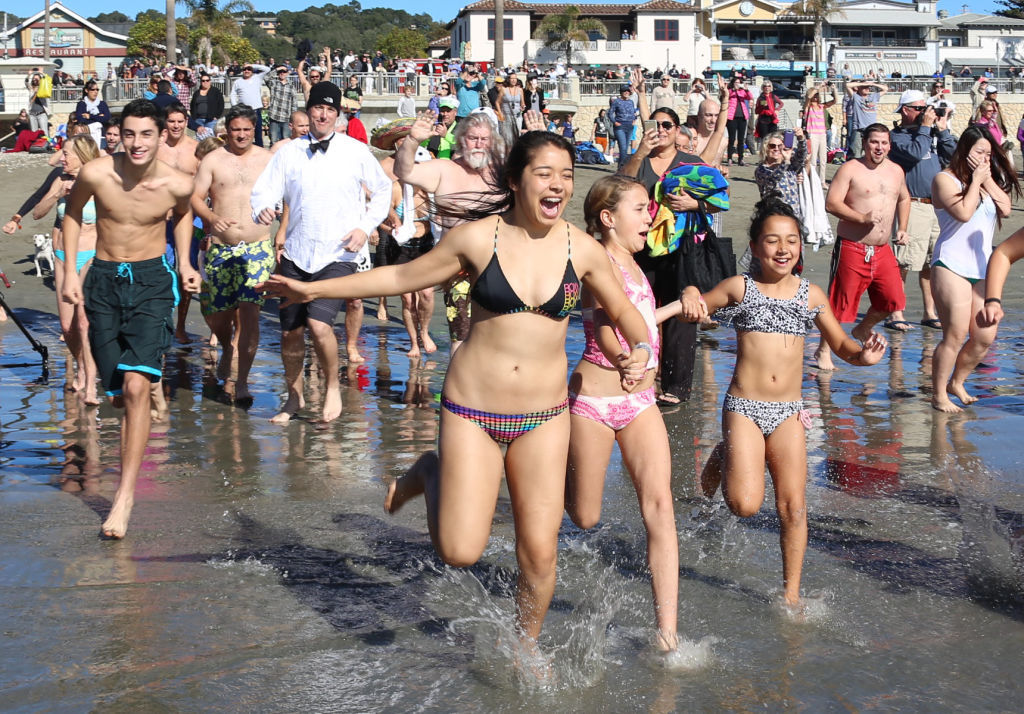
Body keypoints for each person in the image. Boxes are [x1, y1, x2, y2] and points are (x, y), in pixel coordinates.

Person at [259, 130, 653, 653]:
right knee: (461, 551)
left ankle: (525, 646)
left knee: (540, 553)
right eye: (544, 174)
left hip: (546, 415)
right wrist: (313, 288)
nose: (557, 185)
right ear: (514, 181)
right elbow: (398, 277)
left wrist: (641, 350)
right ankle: (428, 471)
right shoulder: (475, 238)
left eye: (566, 176)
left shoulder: (580, 249)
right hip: (473, 411)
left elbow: (626, 312)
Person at [682, 198, 887, 606]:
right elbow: (699, 304)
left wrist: (863, 355)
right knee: (743, 505)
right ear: (755, 247)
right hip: (744, 407)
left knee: (792, 507)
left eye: (791, 240)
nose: (782, 248)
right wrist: (689, 292)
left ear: (800, 246)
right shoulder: (740, 287)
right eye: (772, 241)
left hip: (790, 411)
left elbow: (842, 344)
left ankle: (790, 593)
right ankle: (726, 452)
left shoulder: (810, 296)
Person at [60, 99, 199, 539]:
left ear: (162, 137)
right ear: (117, 133)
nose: (137, 143)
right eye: (130, 133)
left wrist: (185, 264)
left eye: (147, 134)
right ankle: (132, 428)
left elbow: (184, 216)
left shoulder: (177, 183)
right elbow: (70, 215)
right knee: (120, 394)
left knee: (139, 385)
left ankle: (124, 497)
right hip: (102, 281)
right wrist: (69, 274)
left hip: (151, 282)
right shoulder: (96, 173)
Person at [566, 175, 681, 652]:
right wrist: (623, 358)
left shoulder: (635, 265)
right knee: (585, 517)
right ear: (608, 218)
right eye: (639, 208)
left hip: (640, 402)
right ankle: (539, 474)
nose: (649, 215)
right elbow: (601, 322)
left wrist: (677, 305)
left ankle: (667, 632)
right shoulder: (597, 262)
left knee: (660, 505)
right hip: (593, 401)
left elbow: (637, 321)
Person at [250, 82, 392, 424]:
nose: (324, 114)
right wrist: (263, 209)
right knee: (290, 332)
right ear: (309, 110)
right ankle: (294, 397)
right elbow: (263, 191)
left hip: (338, 253)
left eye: (330, 109)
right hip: (297, 254)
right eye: (318, 108)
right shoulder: (288, 152)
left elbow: (384, 188)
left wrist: (365, 225)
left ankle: (331, 387)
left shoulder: (355, 151)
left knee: (319, 323)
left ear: (338, 113)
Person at [620, 87, 728, 404]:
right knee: (642, 310)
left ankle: (676, 387)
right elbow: (619, 188)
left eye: (668, 125)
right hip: (643, 249)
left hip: (683, 249)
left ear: (678, 130)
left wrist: (695, 204)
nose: (662, 131)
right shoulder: (638, 161)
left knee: (683, 313)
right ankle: (643, 374)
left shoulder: (690, 162)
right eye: (656, 125)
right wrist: (640, 152)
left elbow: (721, 201)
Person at [396, 110, 506, 352]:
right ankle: (457, 387)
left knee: (499, 341)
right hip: (459, 270)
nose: (478, 145)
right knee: (461, 339)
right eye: (472, 138)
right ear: (460, 140)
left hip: (500, 269)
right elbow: (404, 172)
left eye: (484, 139)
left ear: (493, 142)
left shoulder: (504, 174)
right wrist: (413, 141)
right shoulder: (444, 169)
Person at [190, 104, 274, 403]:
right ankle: (227, 347)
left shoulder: (268, 159)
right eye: (236, 129)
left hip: (258, 246)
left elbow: (287, 196)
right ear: (227, 130)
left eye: (247, 130)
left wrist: (283, 229)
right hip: (222, 248)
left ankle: (242, 381)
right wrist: (212, 219)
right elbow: (195, 197)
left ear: (255, 130)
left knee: (251, 313)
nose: (241, 135)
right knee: (217, 314)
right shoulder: (213, 160)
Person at [929, 127, 1017, 413]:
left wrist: (986, 179)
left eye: (989, 154)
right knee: (954, 334)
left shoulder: (987, 179)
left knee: (984, 336)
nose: (984, 158)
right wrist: (975, 182)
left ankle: (958, 381)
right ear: (964, 151)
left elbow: (1005, 209)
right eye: (979, 152)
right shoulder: (944, 179)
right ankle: (939, 394)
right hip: (950, 264)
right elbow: (964, 213)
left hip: (981, 267)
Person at [813, 124, 909, 370]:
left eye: (884, 143)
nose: (879, 148)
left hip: (882, 248)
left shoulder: (896, 171)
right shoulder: (850, 169)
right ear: (865, 142)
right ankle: (823, 351)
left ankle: (863, 328)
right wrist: (861, 218)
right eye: (874, 142)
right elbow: (831, 203)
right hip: (853, 246)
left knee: (893, 300)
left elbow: (904, 197)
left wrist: (902, 227)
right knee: (839, 304)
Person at [30, 135, 102, 404]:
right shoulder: (60, 180)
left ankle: (90, 374)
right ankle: (82, 364)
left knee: (83, 323)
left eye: (67, 153)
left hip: (91, 256)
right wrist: (58, 195)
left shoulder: (97, 181)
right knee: (67, 325)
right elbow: (37, 212)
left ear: (82, 155)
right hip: (63, 258)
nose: (62, 158)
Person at [885, 90, 958, 333]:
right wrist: (926, 128)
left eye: (925, 108)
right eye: (918, 108)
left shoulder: (931, 134)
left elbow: (954, 156)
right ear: (905, 110)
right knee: (903, 262)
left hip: (936, 205)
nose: (923, 113)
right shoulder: (895, 137)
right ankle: (895, 311)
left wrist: (943, 129)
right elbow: (915, 153)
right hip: (912, 204)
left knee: (931, 262)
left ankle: (929, 311)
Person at [371, 118, 437, 357]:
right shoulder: (395, 186)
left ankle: (425, 330)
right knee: (408, 301)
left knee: (427, 294)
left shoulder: (433, 191)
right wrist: (390, 230)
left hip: (426, 245)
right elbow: (375, 212)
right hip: (402, 246)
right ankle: (414, 342)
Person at [754, 129, 808, 220]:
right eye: (772, 146)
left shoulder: (790, 166)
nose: (776, 149)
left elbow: (802, 156)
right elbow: (774, 178)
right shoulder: (762, 169)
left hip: (794, 215)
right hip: (773, 214)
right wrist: (786, 161)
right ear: (766, 148)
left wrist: (801, 139)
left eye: (780, 146)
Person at [801, 83, 836, 186]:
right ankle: (812, 180)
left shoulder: (821, 106)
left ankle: (822, 181)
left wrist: (833, 89)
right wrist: (817, 88)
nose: (816, 97)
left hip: (822, 134)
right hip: (813, 134)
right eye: (815, 95)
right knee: (812, 160)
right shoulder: (808, 107)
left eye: (817, 95)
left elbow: (834, 101)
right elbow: (808, 97)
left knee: (823, 159)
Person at [229, 63, 271, 146]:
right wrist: (235, 107)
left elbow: (267, 69)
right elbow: (233, 94)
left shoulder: (257, 77)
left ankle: (259, 151)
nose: (246, 71)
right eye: (245, 69)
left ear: (252, 71)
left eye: (249, 69)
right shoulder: (238, 82)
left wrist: (251, 65)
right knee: (245, 133)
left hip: (256, 110)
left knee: (258, 133)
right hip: (243, 112)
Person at [844, 80, 888, 158]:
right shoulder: (856, 97)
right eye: (864, 88)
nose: (867, 89)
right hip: (859, 130)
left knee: (871, 153)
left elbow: (885, 89)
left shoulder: (873, 97)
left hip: (871, 130)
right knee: (856, 154)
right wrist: (862, 83)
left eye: (868, 88)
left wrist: (873, 84)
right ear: (859, 88)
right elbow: (847, 85)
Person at [266, 66, 299, 146]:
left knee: (286, 140)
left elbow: (294, 103)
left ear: (287, 73)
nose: (282, 73)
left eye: (284, 72)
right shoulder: (273, 83)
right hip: (274, 117)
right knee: (273, 140)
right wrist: (277, 68)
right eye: (280, 72)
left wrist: (293, 117)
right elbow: (266, 77)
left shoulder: (292, 86)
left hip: (286, 118)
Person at [724, 76, 752, 166]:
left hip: (742, 117)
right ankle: (729, 158)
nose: (737, 84)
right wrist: (734, 89)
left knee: (741, 139)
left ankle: (741, 159)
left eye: (739, 82)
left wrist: (746, 89)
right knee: (731, 139)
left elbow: (750, 97)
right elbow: (726, 96)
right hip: (732, 117)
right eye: (736, 82)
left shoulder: (742, 91)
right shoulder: (730, 91)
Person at [73, 81, 111, 146]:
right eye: (93, 89)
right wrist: (99, 117)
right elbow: (81, 120)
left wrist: (90, 116)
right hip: (87, 138)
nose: (95, 92)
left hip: (101, 137)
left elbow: (107, 119)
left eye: (97, 89)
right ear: (86, 90)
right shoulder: (81, 104)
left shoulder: (102, 104)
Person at [610, 84, 638, 167]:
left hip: (629, 126)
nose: (626, 92)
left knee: (626, 148)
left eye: (627, 91)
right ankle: (622, 167)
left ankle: (621, 166)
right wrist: (615, 122)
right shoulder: (616, 101)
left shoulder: (631, 102)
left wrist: (634, 120)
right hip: (620, 127)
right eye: (624, 91)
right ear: (621, 92)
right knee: (622, 148)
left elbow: (634, 113)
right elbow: (610, 113)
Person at [189, 73, 224, 138]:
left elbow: (221, 104)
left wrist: (217, 116)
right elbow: (192, 105)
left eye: (207, 80)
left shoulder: (215, 91)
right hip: (198, 120)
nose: (205, 82)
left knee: (210, 139)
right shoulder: (196, 93)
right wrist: (194, 118)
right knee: (200, 139)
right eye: (203, 80)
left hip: (211, 120)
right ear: (201, 82)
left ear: (210, 81)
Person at [752, 79, 781, 154]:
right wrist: (762, 107)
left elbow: (781, 103)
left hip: (772, 118)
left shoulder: (773, 96)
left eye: (768, 86)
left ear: (771, 87)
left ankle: (771, 155)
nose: (767, 88)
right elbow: (757, 111)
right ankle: (764, 156)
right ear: (763, 87)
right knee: (764, 139)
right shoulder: (761, 98)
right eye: (765, 86)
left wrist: (777, 109)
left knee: (773, 137)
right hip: (763, 119)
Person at [496, 73, 524, 148]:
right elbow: (497, 102)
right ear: (509, 79)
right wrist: (500, 113)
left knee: (516, 135)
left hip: (517, 116)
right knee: (507, 137)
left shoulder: (520, 90)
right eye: (512, 78)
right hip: (506, 116)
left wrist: (522, 107)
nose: (513, 80)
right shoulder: (504, 89)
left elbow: (522, 103)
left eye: (515, 78)